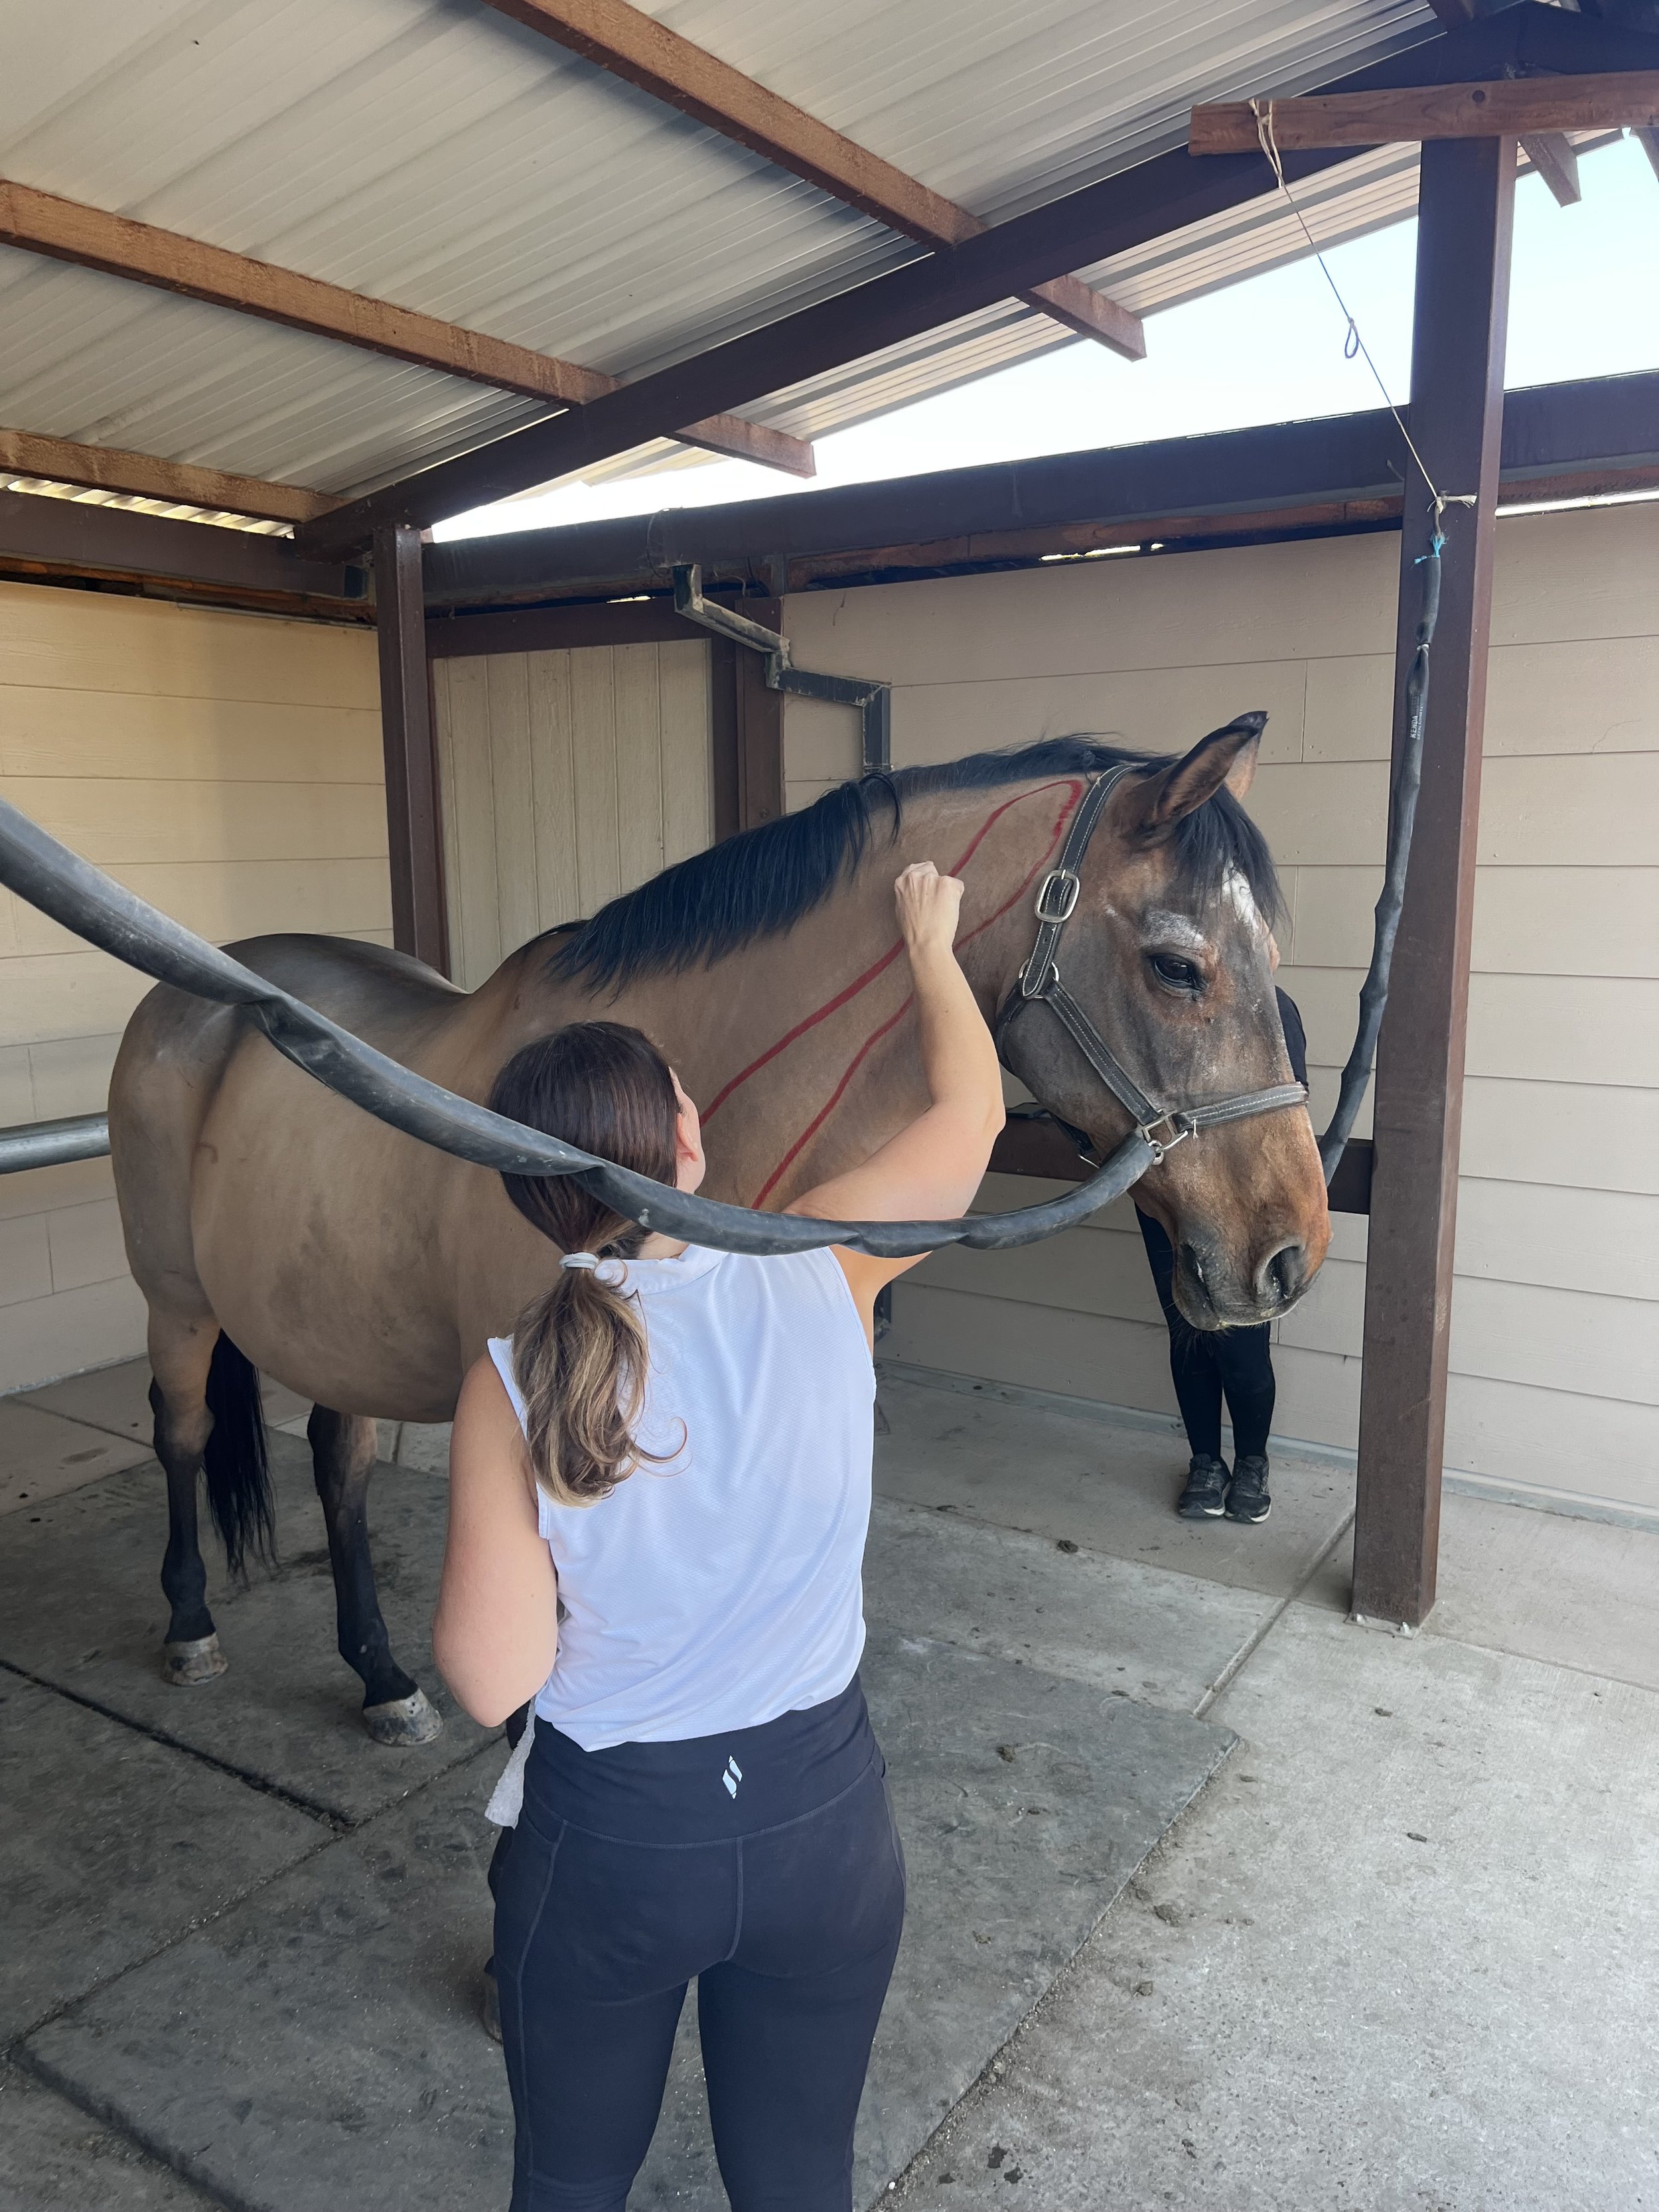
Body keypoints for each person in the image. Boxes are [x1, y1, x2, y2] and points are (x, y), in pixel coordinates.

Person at [432, 862, 1004, 2212]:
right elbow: (970, 1108)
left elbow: (488, 1678)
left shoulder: (514, 1375)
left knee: (569, 2185)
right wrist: (927, 943)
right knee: (799, 2182)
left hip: (614, 1854)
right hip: (826, 1830)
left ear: (530, 1194)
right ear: (689, 1139)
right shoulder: (821, 1263)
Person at [1137, 984, 1309, 1528]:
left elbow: (1285, 1114)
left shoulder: (1275, 1009)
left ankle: (1252, 1463)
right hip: (1167, 1197)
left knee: (1242, 1345)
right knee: (1187, 1332)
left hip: (1243, 1204)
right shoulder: (1154, 1003)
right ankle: (1206, 1463)